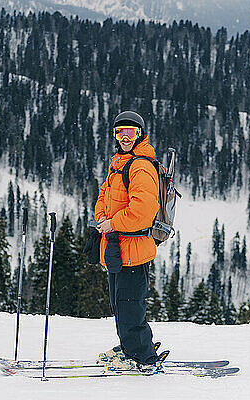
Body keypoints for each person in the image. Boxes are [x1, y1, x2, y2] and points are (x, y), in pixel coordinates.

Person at [94, 110, 161, 372]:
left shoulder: (140, 166)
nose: (124, 137)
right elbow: (104, 195)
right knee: (121, 305)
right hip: (118, 248)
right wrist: (101, 216)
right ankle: (131, 346)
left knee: (130, 307)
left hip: (133, 249)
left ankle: (144, 358)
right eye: (119, 132)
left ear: (140, 135)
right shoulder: (120, 163)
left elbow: (143, 211)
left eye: (130, 132)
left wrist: (113, 223)